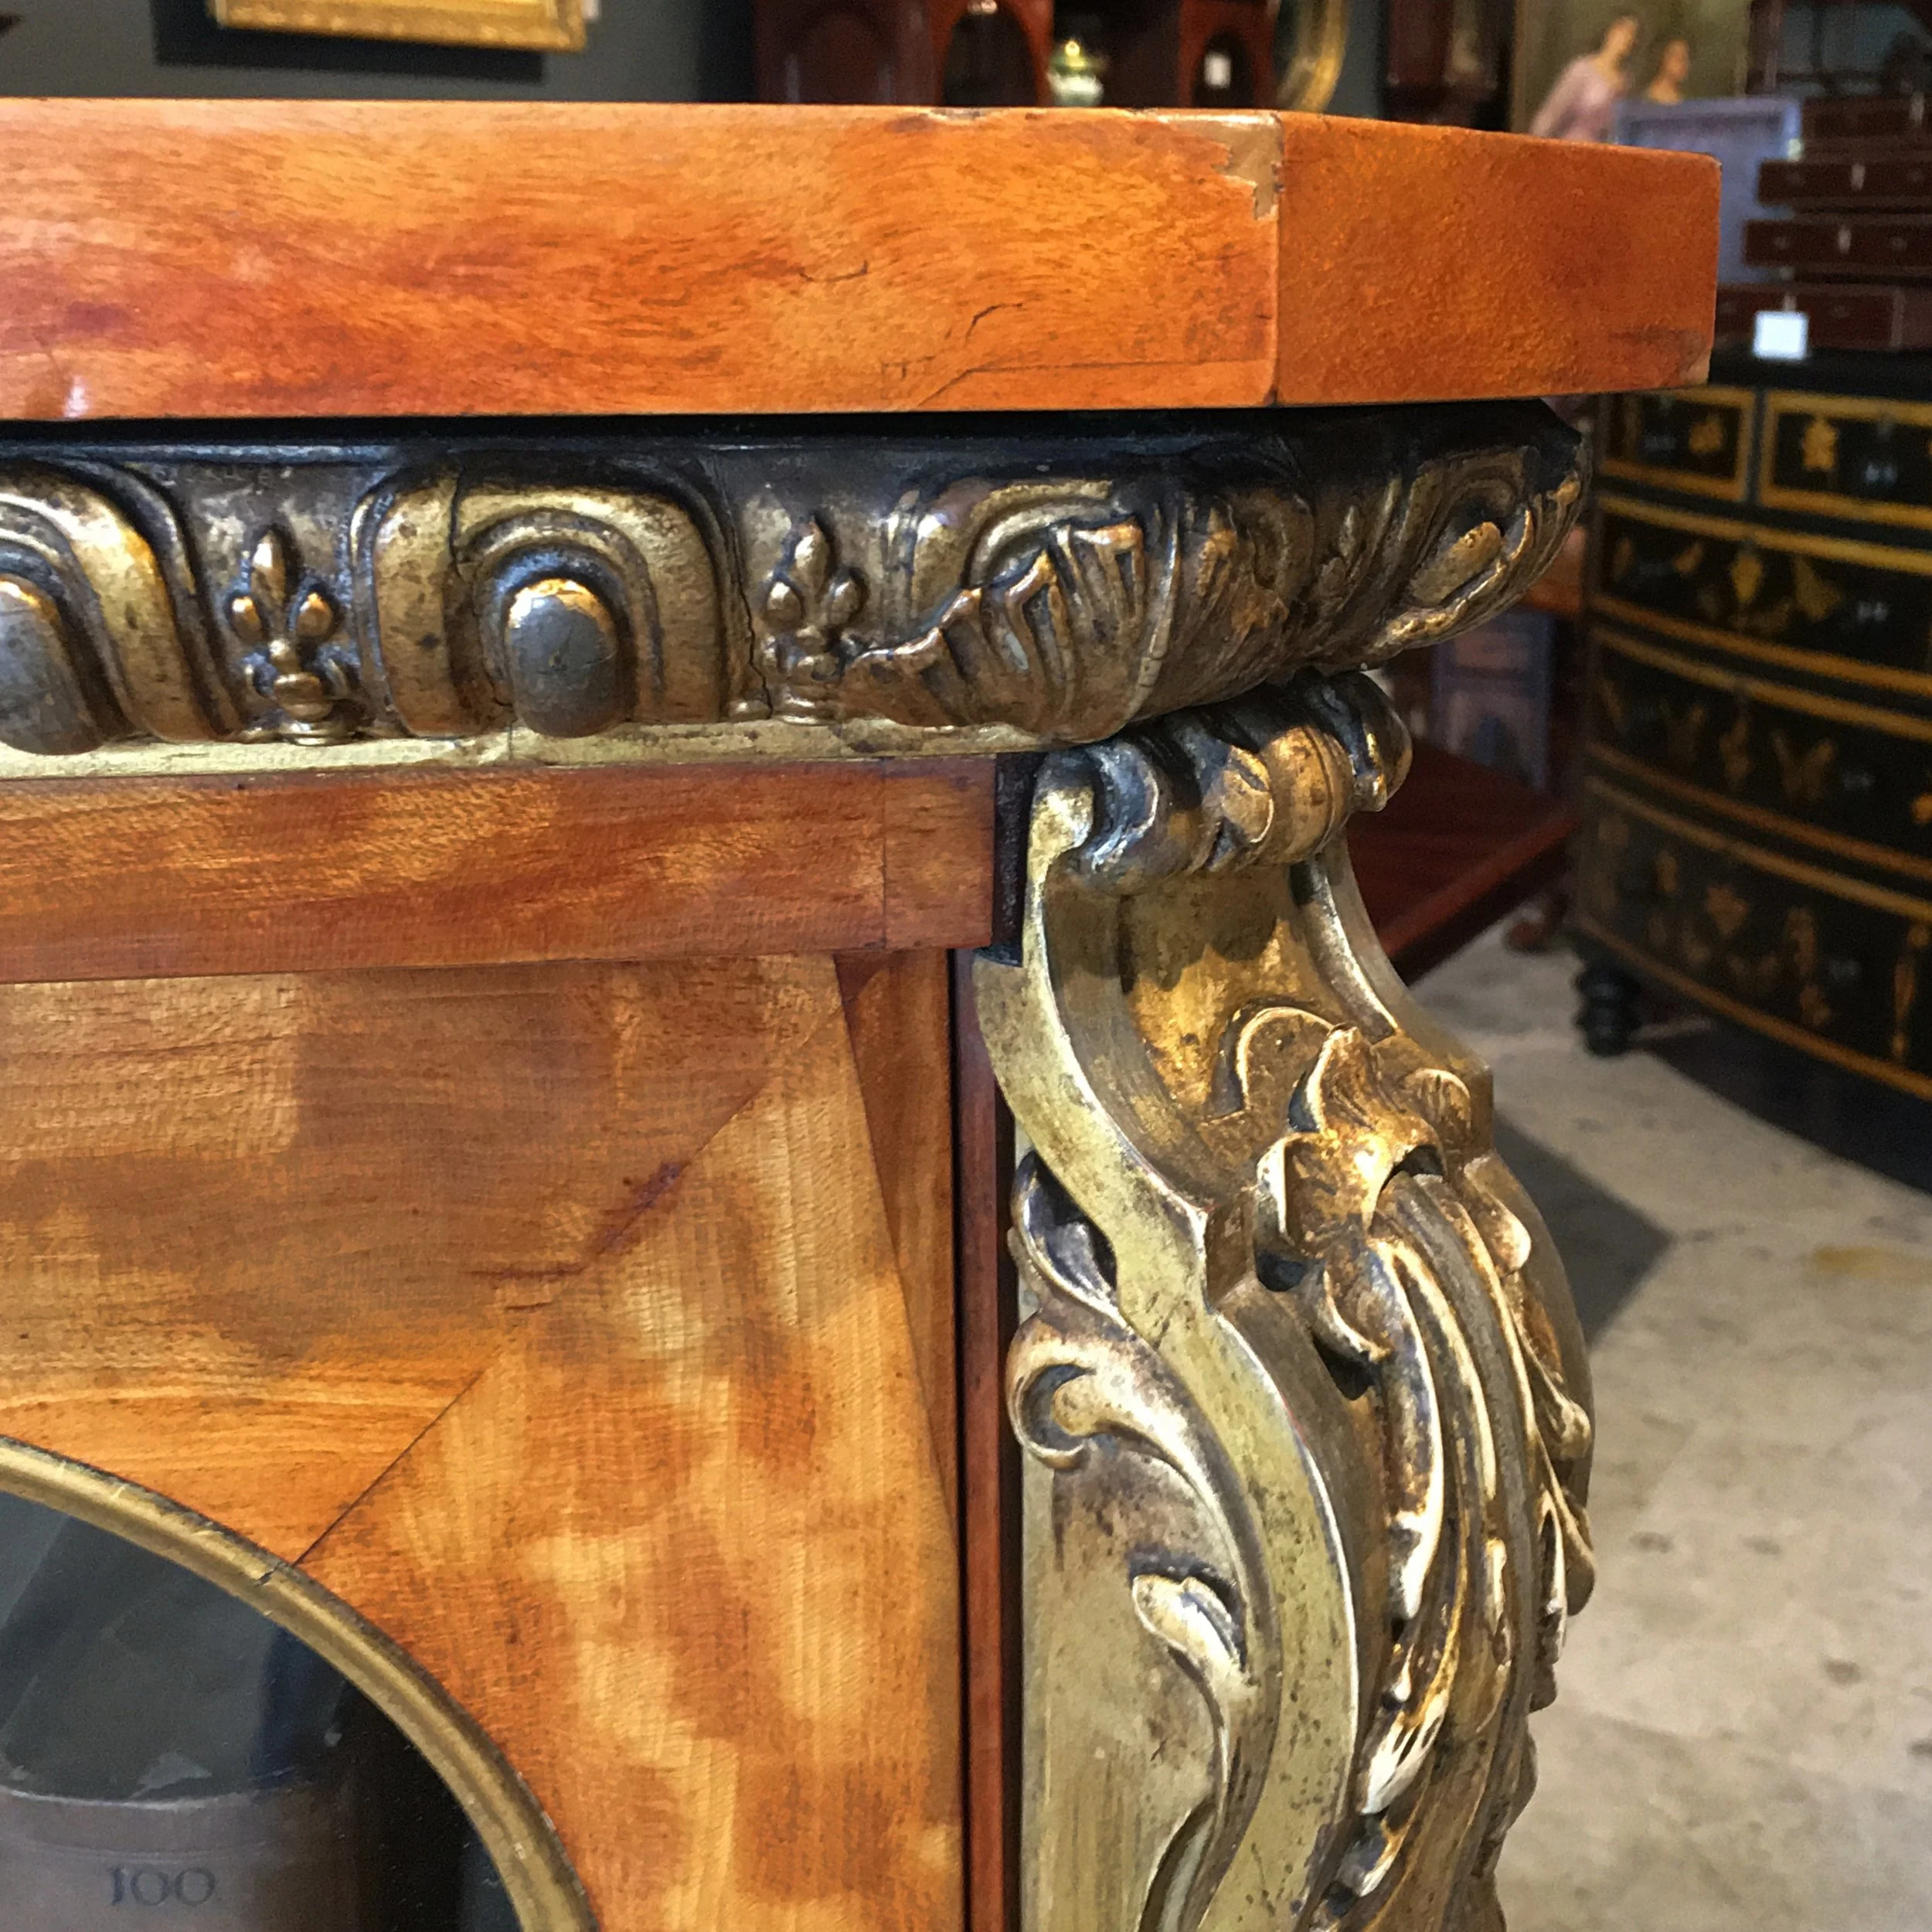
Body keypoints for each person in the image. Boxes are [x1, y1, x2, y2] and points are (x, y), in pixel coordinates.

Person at [1530, 13, 1641, 141]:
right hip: (1570, 147)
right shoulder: (1581, 69)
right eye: (1623, 31)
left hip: (1604, 155)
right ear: (1609, 32)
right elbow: (1551, 114)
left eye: (1632, 35)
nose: (1627, 39)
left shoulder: (1626, 82)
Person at [1645, 36, 1692, 103]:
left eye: (1686, 58)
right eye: (1679, 58)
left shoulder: (1687, 99)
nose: (1685, 64)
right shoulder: (1649, 100)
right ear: (1663, 58)